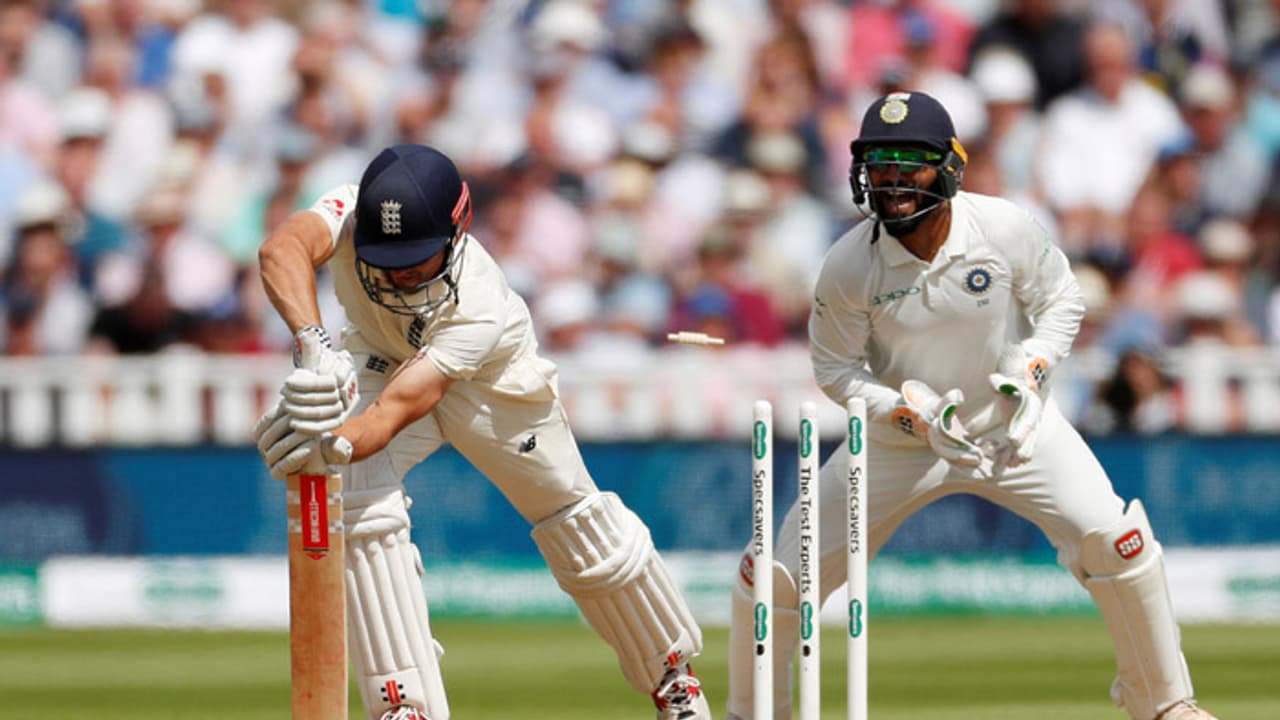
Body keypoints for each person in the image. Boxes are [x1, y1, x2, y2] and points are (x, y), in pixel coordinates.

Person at [724, 92, 1217, 720]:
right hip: (900, 444)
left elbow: (1062, 301)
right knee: (774, 578)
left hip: (1014, 429)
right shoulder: (848, 266)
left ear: (948, 168)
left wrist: (1031, 367)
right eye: (880, 164)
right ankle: (751, 713)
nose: (892, 181)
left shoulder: (1002, 227)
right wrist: (904, 414)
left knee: (1120, 546)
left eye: (909, 163)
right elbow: (835, 370)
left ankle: (1166, 706)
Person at [251, 144, 710, 720]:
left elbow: (394, 412)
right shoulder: (351, 211)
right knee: (358, 497)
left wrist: (331, 442)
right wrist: (314, 347)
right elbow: (281, 249)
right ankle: (404, 705)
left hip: (493, 387)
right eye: (384, 260)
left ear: (456, 230)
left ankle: (672, 677)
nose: (397, 275)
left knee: (578, 524)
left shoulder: (478, 300)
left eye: (415, 261)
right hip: (379, 358)